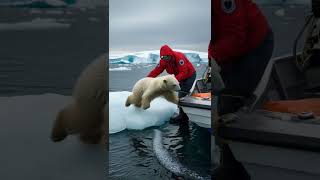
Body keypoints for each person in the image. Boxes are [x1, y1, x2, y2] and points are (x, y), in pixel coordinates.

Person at [208, 0, 274, 179]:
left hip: (255, 45)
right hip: (225, 49)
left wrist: (211, 57)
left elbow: (235, 36)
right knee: (217, 98)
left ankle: (234, 169)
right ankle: (225, 160)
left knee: (231, 101)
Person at [147, 44, 196, 123]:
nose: (166, 59)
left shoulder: (179, 57)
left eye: (167, 57)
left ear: (171, 54)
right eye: (163, 57)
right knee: (180, 93)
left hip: (189, 75)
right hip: (179, 77)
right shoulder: (163, 61)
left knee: (182, 94)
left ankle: (183, 117)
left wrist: (173, 81)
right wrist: (147, 79)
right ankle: (183, 112)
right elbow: (156, 71)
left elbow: (184, 72)